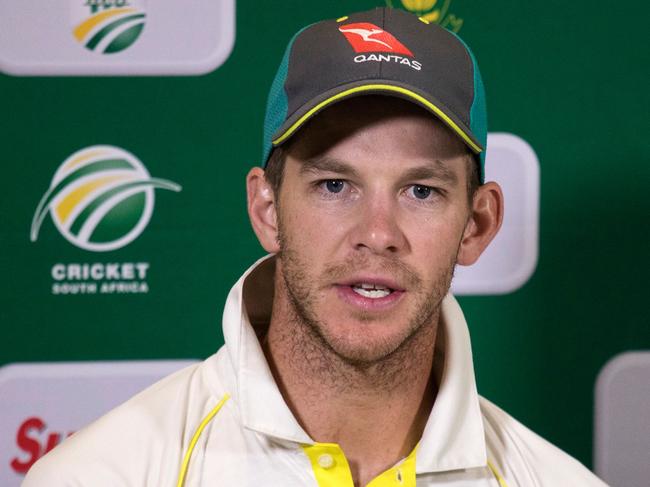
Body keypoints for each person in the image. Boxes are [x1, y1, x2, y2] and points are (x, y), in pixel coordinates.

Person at [23, 7, 608, 487]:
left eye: (421, 190)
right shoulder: (100, 475)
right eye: (335, 185)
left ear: (477, 224)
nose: (378, 233)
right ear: (268, 209)